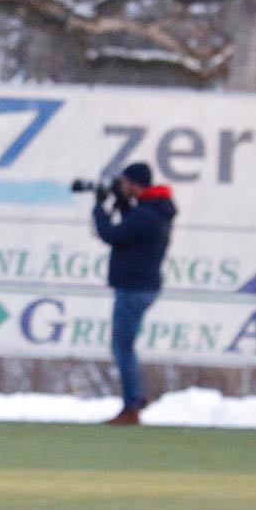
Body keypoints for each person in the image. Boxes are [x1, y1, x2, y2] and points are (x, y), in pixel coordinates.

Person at [90, 161, 175, 426]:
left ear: (136, 185)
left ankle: (132, 405)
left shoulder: (147, 215)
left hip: (134, 287)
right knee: (125, 346)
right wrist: (120, 202)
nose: (121, 187)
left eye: (125, 183)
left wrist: (99, 208)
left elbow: (112, 234)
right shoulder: (152, 210)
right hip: (141, 286)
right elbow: (129, 226)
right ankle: (133, 401)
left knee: (122, 347)